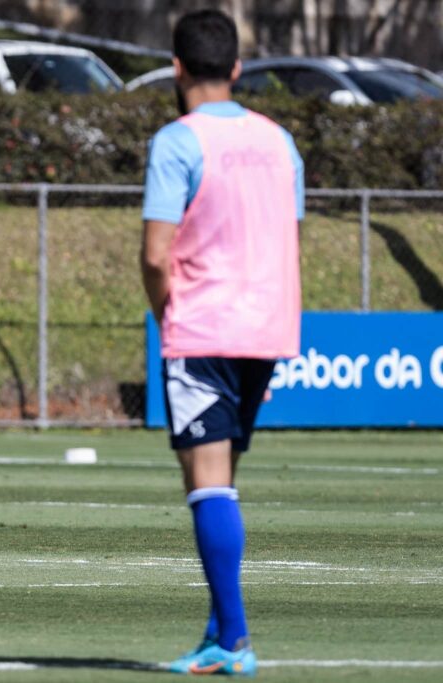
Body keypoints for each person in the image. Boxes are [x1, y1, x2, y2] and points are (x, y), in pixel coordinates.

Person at [140, 10, 303, 676]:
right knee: (223, 478)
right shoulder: (279, 140)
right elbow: (289, 235)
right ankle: (217, 632)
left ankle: (234, 639)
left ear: (176, 68)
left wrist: (165, 315)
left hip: (204, 324)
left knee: (206, 483)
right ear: (236, 69)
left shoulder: (177, 141)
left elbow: (156, 254)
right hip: (267, 329)